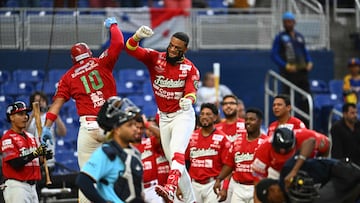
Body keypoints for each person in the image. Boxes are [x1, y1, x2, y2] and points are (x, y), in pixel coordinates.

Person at [40, 17, 124, 203]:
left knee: (86, 177)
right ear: (89, 53)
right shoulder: (101, 62)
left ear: (73, 59)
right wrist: (113, 25)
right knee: (118, 174)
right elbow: (118, 42)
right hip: (110, 126)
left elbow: (56, 105)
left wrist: (47, 127)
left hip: (88, 128)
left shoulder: (67, 77)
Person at [125, 25, 200, 203]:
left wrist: (188, 100)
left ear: (185, 50)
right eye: (171, 45)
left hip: (182, 114)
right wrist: (136, 37)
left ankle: (171, 188)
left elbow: (191, 91)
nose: (173, 50)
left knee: (177, 152)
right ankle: (191, 201)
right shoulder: (155, 58)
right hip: (164, 117)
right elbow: (130, 49)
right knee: (175, 161)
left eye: (178, 48)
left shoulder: (190, 69)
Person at [75, 96, 144, 203]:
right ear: (117, 129)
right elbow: (83, 180)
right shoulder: (106, 153)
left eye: (135, 125)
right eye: (129, 125)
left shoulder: (134, 152)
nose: (135, 129)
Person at [1, 101, 52, 203]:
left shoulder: (31, 137)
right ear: (11, 117)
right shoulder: (7, 138)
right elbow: (15, 163)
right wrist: (35, 154)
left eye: (26, 114)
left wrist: (43, 157)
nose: (25, 117)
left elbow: (33, 161)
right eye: (20, 114)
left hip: (32, 187)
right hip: (17, 187)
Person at [214, 107, 267, 203]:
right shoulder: (237, 141)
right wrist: (219, 179)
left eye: (252, 119)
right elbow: (229, 164)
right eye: (246, 119)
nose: (248, 122)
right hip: (238, 187)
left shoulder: (266, 142)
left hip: (256, 187)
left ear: (259, 122)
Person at [255, 155, 360, 203]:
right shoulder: (289, 198)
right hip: (344, 188)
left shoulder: (287, 172)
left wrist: (295, 170)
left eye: (270, 200)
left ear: (273, 189)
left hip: (342, 172)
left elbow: (310, 142)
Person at [185, 103, 231, 202]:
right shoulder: (191, 137)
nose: (204, 117)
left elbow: (228, 166)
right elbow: (185, 162)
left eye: (208, 114)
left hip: (213, 184)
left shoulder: (223, 139)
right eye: (202, 114)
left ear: (215, 117)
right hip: (194, 184)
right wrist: (182, 186)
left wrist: (225, 188)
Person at [252, 127, 330, 183]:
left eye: (286, 152)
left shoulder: (306, 136)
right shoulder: (262, 150)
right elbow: (258, 185)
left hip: (303, 166)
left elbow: (327, 143)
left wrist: (320, 163)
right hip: (276, 171)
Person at [271, 11, 313, 94]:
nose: (288, 24)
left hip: (302, 70)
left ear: (294, 22)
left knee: (305, 94)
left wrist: (309, 61)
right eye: (285, 22)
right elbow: (274, 55)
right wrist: (285, 65)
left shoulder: (299, 36)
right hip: (288, 72)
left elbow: (304, 50)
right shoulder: (280, 37)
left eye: (289, 22)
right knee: (288, 95)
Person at [26, 91, 67, 169]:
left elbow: (63, 132)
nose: (40, 103)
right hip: (33, 160)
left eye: (42, 101)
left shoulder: (50, 117)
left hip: (48, 161)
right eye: (37, 101)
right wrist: (31, 116)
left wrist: (55, 115)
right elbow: (23, 131)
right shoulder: (28, 118)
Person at [133, 115, 164, 203]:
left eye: (141, 128)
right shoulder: (126, 146)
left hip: (152, 189)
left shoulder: (149, 142)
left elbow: (161, 135)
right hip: (135, 189)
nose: (139, 131)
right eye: (136, 128)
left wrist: (147, 124)